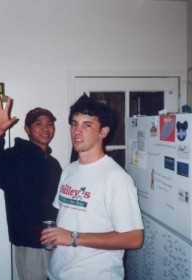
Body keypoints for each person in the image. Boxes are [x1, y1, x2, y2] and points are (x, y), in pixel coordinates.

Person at [40, 95, 144, 280]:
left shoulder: (116, 178)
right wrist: (55, 236)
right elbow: (69, 218)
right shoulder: (69, 170)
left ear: (103, 132)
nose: (77, 131)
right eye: (74, 124)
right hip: (57, 272)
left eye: (87, 125)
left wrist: (72, 237)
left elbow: (134, 238)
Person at [0, 95, 62, 280]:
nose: (45, 128)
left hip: (54, 239)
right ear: (27, 129)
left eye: (49, 124)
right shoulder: (17, 157)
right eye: (38, 124)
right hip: (30, 243)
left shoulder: (53, 163)